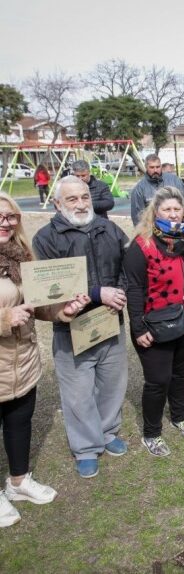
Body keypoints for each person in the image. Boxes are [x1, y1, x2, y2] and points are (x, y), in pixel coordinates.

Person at [0, 192, 89, 527]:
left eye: (10, 217)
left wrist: (63, 310)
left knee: (19, 423)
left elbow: (37, 305)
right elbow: (11, 313)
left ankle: (19, 482)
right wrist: (5, 320)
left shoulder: (23, 257)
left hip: (22, 362)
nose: (5, 223)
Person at [33, 176, 129, 479]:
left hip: (111, 321)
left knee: (112, 382)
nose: (80, 204)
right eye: (72, 199)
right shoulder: (45, 238)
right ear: (57, 203)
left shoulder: (108, 228)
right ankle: (86, 447)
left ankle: (108, 430)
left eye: (84, 197)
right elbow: (49, 287)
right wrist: (100, 292)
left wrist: (120, 293)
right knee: (78, 392)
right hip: (71, 328)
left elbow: (128, 266)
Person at [124, 187, 184, 457]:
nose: (173, 214)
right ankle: (152, 432)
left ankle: (179, 416)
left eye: (177, 209)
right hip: (156, 325)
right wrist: (138, 326)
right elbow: (134, 288)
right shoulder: (142, 244)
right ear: (155, 212)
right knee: (158, 379)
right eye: (167, 210)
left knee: (179, 373)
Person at [130, 154, 184, 226]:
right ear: (146, 167)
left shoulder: (175, 181)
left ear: (161, 166)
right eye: (152, 167)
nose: (155, 170)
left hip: (177, 228)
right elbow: (138, 217)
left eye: (157, 167)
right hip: (153, 232)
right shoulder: (139, 189)